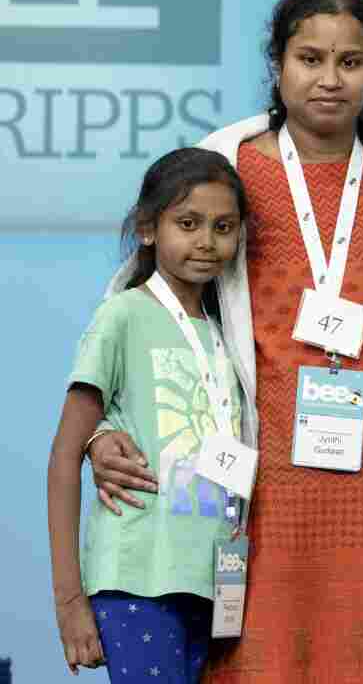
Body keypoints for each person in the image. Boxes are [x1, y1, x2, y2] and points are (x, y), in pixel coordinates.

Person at [86, 0, 363, 683]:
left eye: (352, 61)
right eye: (310, 58)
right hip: (260, 478)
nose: (330, 79)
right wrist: (103, 434)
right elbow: (140, 304)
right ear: (277, 64)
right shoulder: (227, 163)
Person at [48, 148, 249, 681]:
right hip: (137, 577)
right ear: (147, 229)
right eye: (188, 223)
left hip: (217, 582)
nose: (206, 241)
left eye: (223, 226)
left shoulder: (233, 335)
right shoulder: (123, 316)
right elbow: (65, 455)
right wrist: (70, 601)